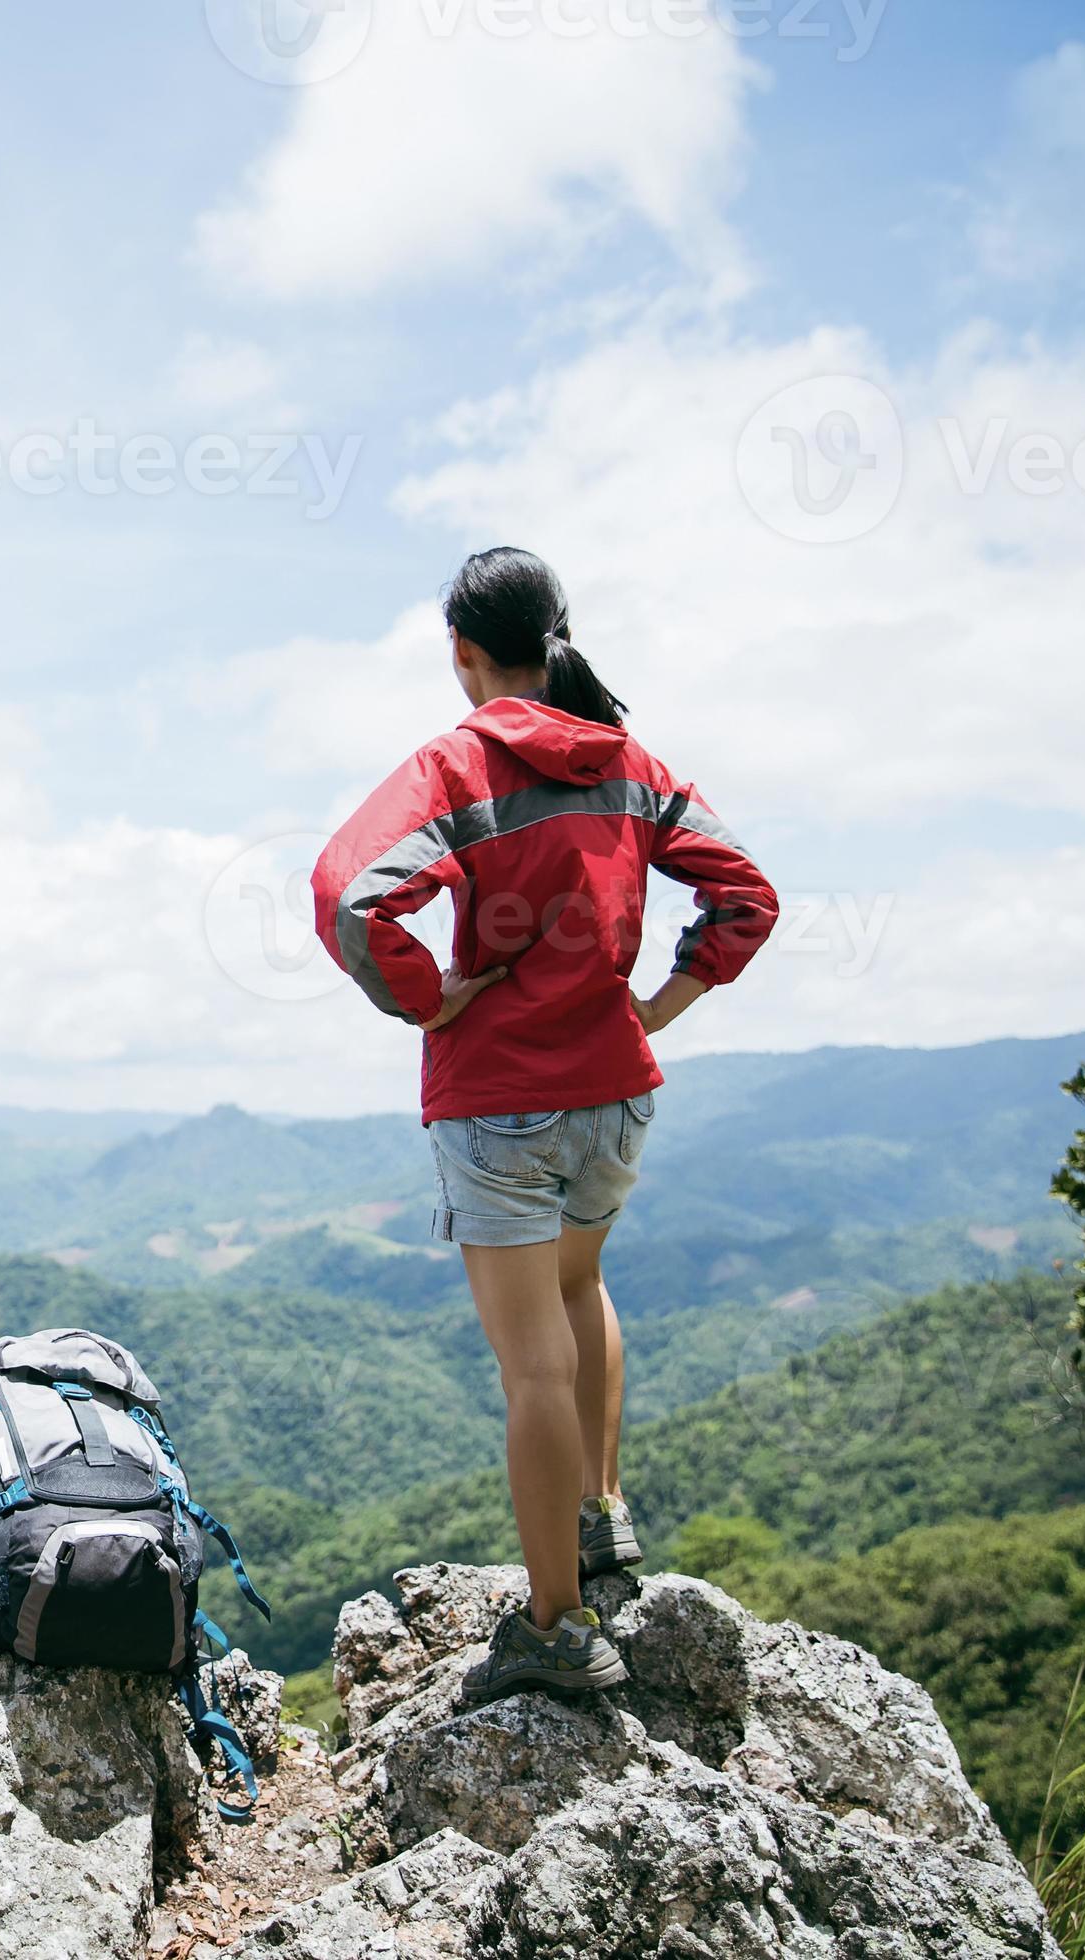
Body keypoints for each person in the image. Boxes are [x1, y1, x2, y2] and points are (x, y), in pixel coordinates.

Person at [311, 546, 778, 1702]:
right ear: (558, 637)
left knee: (532, 1368)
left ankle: (560, 1626)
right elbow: (746, 893)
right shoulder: (631, 763)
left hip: (500, 1101)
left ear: (463, 656)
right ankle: (601, 1515)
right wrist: (662, 1002)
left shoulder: (461, 765)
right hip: (616, 1095)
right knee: (582, 1292)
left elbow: (347, 894)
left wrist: (429, 996)